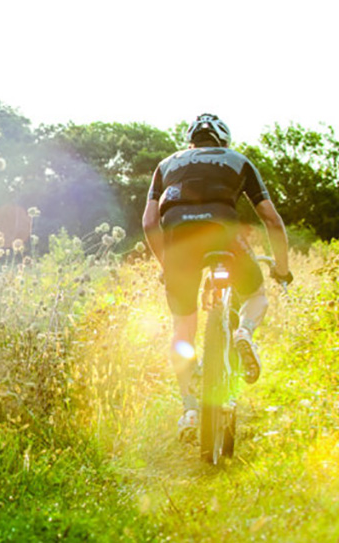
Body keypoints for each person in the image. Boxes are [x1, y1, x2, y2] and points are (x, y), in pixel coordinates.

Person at [141, 113, 294, 441]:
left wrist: (166, 264)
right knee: (256, 296)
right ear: (223, 141)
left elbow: (149, 222)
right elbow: (270, 217)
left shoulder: (166, 165)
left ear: (191, 141)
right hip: (224, 237)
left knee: (183, 328)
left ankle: (190, 411)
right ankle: (243, 332)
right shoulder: (237, 160)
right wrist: (282, 268)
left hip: (179, 243)